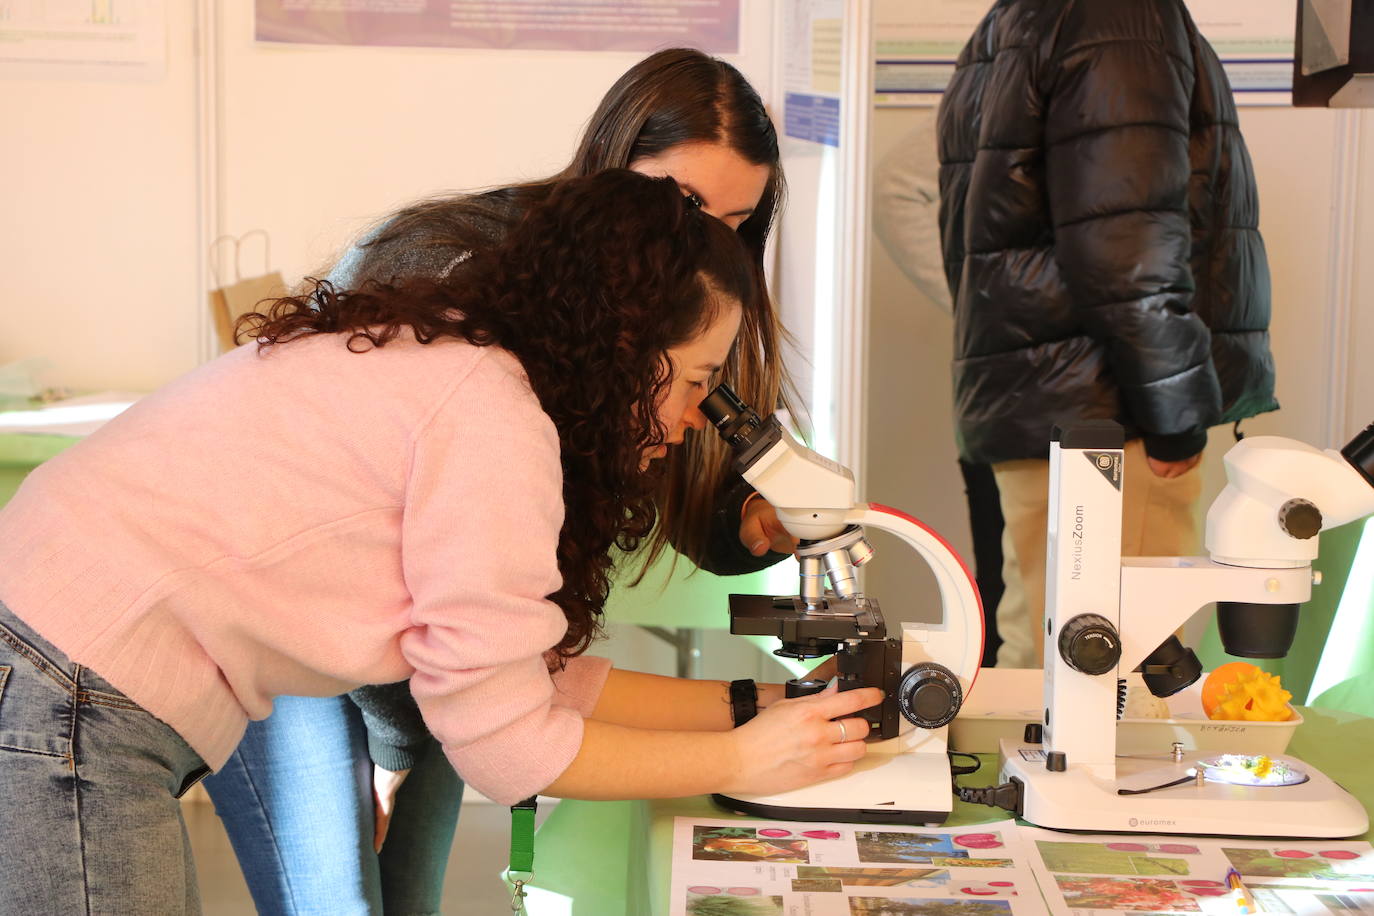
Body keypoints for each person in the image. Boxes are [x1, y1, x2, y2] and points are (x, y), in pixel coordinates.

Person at [0, 169, 882, 915]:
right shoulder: (492, 418)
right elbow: (507, 748)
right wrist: (743, 760)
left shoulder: (467, 365)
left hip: (57, 646)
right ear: (625, 346)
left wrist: (752, 706)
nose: (694, 422)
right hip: (69, 678)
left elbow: (526, 674)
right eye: (692, 382)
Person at [201, 48, 806, 915]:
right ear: (611, 167)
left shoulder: (666, 300)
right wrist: (396, 745)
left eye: (735, 222)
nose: (706, 243)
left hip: (425, 645)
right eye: (683, 205)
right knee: (340, 896)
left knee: (402, 893)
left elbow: (538, 644)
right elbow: (389, 554)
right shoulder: (465, 302)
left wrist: (747, 523)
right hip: (295, 623)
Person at [936, 0, 1278, 668]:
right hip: (1114, 419)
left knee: (1045, 671)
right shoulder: (1120, 12)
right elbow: (1127, 239)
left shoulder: (1024, 15)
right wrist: (1175, 412)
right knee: (1124, 689)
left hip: (1058, 406)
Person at [872, 111, 1004, 667]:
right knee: (1016, 590)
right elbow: (895, 188)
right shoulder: (1010, 83)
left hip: (1011, 388)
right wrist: (988, 312)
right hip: (1015, 392)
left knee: (1023, 588)